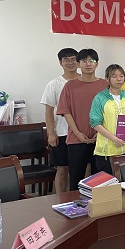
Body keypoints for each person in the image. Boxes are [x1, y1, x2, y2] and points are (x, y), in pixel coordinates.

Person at [56, 48, 107, 190]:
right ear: (78, 64)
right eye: (84, 61)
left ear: (97, 64)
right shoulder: (70, 86)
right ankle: (74, 204)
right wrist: (77, 133)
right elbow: (66, 111)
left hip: (101, 139)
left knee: (99, 181)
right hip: (76, 139)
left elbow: (110, 112)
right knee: (76, 180)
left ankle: (97, 204)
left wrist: (101, 132)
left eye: (92, 60)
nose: (88, 64)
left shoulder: (105, 85)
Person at [40, 47, 79, 193]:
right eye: (66, 60)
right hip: (62, 132)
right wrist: (51, 133)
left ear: (78, 62)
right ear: (60, 63)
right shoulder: (54, 84)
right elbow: (49, 111)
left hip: (84, 133)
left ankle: (85, 199)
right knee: (62, 168)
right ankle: (61, 200)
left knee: (86, 167)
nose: (70, 63)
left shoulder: (86, 81)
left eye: (73, 59)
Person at [90, 64, 125, 174]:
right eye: (114, 76)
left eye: (121, 76)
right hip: (107, 151)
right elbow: (95, 123)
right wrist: (114, 139)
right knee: (110, 182)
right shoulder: (100, 98)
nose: (119, 79)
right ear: (107, 79)